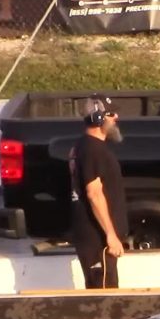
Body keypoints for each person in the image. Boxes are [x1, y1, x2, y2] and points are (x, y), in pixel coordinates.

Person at [68, 93, 128, 289]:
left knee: (102, 291)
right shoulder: (94, 150)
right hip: (98, 239)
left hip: (94, 237)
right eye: (111, 114)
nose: (116, 118)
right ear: (98, 117)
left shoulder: (82, 146)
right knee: (105, 297)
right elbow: (94, 194)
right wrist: (110, 235)